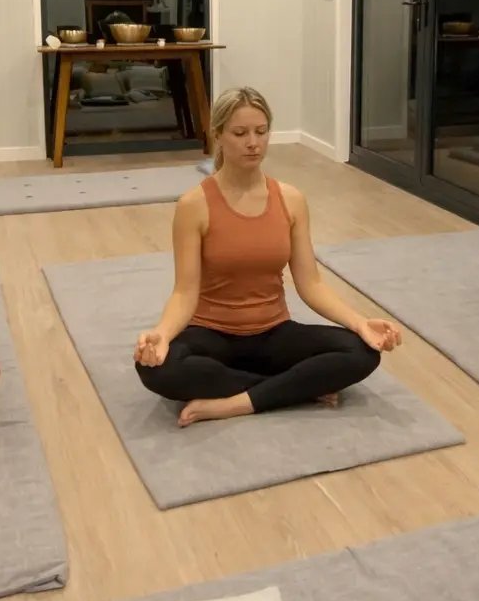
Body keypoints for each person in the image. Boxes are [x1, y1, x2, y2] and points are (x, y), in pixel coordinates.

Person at [134, 87, 403, 426]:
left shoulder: (290, 200)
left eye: (261, 132)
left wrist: (359, 322)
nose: (253, 143)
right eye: (240, 133)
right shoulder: (194, 205)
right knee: (154, 368)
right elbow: (185, 292)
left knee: (362, 351)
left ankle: (232, 402)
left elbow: (311, 283)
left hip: (273, 333)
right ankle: (295, 389)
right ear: (218, 134)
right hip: (212, 335)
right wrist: (162, 335)